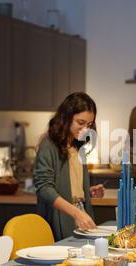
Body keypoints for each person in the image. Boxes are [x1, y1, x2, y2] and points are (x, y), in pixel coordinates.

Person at [33, 92, 105, 240]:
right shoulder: (49, 144)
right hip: (64, 215)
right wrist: (76, 213)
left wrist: (86, 191)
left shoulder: (77, 146)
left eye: (89, 124)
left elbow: (68, 184)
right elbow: (44, 188)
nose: (85, 129)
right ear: (66, 118)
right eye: (80, 122)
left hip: (78, 211)